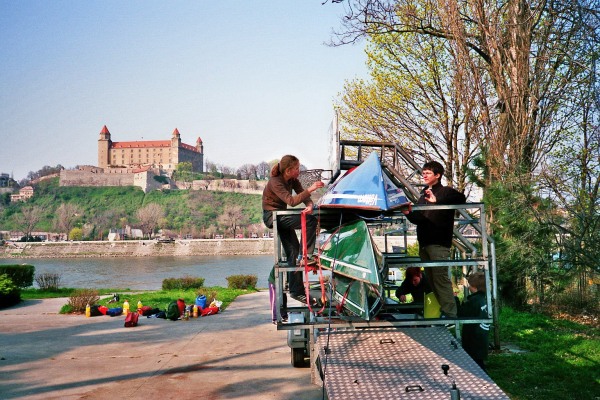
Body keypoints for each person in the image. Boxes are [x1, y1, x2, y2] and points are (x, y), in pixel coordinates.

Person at [402, 161, 466, 318]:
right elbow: (420, 219)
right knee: (431, 280)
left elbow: (461, 198)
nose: (424, 175)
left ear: (438, 175)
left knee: (441, 279)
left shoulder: (445, 192)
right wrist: (408, 213)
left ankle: (452, 315)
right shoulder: (423, 195)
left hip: (438, 243)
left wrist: (437, 202)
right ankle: (446, 312)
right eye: (423, 172)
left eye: (428, 173)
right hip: (424, 243)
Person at [262, 155, 324, 304]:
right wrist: (312, 188)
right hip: (272, 216)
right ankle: (306, 255)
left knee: (292, 251)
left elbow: (302, 195)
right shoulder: (275, 182)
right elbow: (291, 201)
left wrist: (309, 204)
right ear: (289, 170)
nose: (299, 170)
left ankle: (296, 291)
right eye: (297, 168)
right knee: (310, 220)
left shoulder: (293, 180)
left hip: (281, 216)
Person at [458, 272, 490, 371]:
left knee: (476, 365)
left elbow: (461, 314)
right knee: (478, 362)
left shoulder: (473, 301)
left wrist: (455, 300)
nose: (468, 287)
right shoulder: (483, 299)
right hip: (481, 337)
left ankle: (484, 383)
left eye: (470, 285)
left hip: (473, 339)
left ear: (475, 287)